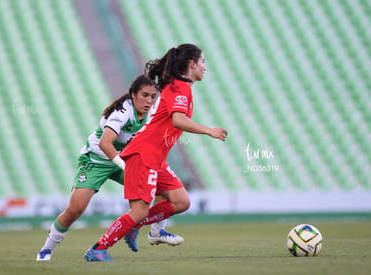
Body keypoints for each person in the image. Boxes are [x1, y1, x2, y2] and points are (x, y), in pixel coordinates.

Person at [84, 43, 228, 262]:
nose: (204, 67)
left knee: (181, 202)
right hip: (143, 155)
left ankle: (135, 225)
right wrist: (210, 131)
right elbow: (179, 120)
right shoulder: (180, 87)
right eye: (202, 62)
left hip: (155, 158)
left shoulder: (179, 86)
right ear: (192, 64)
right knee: (139, 210)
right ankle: (98, 249)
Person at [36, 75, 184, 261]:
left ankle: (156, 231)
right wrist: (126, 167)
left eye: (153, 96)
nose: (149, 101)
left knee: (164, 190)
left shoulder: (153, 111)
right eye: (144, 95)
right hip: (97, 161)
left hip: (129, 158)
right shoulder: (122, 112)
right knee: (75, 209)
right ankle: (46, 250)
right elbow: (106, 144)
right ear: (133, 94)